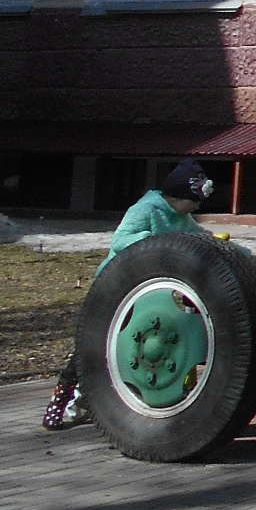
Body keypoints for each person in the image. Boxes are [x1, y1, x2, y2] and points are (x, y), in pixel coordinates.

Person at [43, 159, 217, 430]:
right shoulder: (146, 210)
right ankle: (63, 399)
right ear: (177, 196)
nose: (196, 207)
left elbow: (199, 239)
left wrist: (237, 254)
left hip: (147, 291)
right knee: (95, 345)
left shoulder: (181, 218)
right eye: (193, 201)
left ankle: (96, 399)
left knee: (124, 349)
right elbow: (121, 239)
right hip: (116, 288)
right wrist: (162, 244)